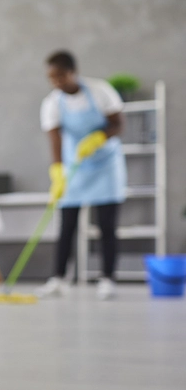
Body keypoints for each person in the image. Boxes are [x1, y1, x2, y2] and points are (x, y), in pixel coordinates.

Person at [36, 50, 126, 300]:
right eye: (51, 78)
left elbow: (118, 124)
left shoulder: (100, 91)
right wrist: (57, 173)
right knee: (67, 226)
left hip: (105, 163)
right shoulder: (52, 103)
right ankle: (58, 279)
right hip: (74, 166)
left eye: (61, 76)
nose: (56, 82)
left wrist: (100, 137)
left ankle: (108, 279)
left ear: (73, 72)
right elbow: (55, 140)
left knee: (107, 225)